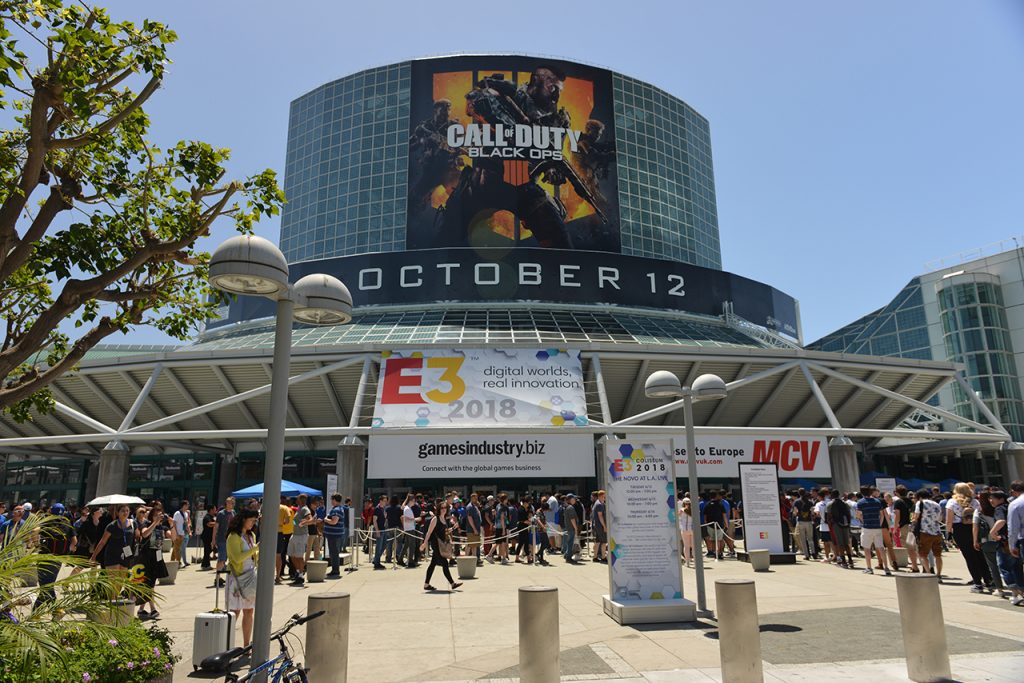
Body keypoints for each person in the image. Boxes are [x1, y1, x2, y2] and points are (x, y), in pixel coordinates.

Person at [947, 482, 991, 592]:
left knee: (969, 557)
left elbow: (949, 520)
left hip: (960, 530)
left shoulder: (952, 502)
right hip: (974, 528)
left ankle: (977, 582)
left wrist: (948, 533)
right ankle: (988, 579)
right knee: (980, 554)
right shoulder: (975, 501)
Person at [34, 504, 76, 614]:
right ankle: (36, 612)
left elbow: (35, 531)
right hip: (58, 558)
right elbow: (74, 541)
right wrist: (68, 551)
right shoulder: (67, 524)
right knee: (48, 585)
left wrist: (34, 544)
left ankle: (56, 610)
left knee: (46, 586)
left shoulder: (47, 521)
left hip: (45, 556)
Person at [226, 509, 260, 647]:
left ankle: (246, 644)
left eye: (255, 521)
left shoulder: (251, 535)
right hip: (237, 578)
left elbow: (253, 557)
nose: (253, 523)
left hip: (250, 576)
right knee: (234, 612)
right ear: (243, 519)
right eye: (251, 520)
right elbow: (237, 558)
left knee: (249, 611)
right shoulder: (233, 536)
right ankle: (227, 644)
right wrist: (255, 549)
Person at [420, 501, 463, 592]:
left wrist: (452, 528)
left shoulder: (443, 518)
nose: (444, 510)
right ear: (439, 509)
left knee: (432, 565)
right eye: (442, 508)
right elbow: (429, 532)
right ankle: (452, 583)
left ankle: (426, 584)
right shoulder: (435, 519)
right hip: (436, 545)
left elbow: (444, 532)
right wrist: (424, 543)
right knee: (445, 563)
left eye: (445, 508)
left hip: (441, 544)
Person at [137, 505, 170, 619]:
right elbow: (144, 534)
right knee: (149, 585)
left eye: (160, 515)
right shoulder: (146, 524)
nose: (158, 517)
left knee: (151, 584)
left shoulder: (162, 527)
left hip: (157, 558)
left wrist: (173, 524)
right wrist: (154, 523)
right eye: (156, 515)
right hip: (147, 558)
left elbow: (172, 537)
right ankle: (153, 609)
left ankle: (141, 609)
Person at [974, 491, 1009, 597]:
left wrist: (975, 540)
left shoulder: (979, 511)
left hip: (987, 541)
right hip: (1002, 540)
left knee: (993, 566)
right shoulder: (1000, 508)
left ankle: (999, 589)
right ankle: (1015, 587)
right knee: (1008, 565)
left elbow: (975, 527)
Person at [91, 504, 137, 573]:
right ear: (117, 513)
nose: (126, 513)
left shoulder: (133, 523)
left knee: (121, 581)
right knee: (113, 581)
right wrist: (94, 556)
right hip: (112, 556)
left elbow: (138, 536)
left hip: (126, 556)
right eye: (123, 511)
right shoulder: (112, 526)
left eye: (127, 511)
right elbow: (102, 542)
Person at [856, 485, 891, 575]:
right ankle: (886, 568)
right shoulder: (877, 501)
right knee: (880, 547)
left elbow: (858, 515)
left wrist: (863, 520)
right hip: (877, 527)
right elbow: (882, 514)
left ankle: (869, 568)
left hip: (867, 527)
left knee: (867, 548)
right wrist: (879, 523)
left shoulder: (860, 502)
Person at [913, 487, 944, 579]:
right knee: (938, 555)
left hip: (924, 531)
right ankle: (938, 574)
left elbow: (916, 516)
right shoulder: (936, 504)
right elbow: (940, 518)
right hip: (937, 531)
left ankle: (928, 573)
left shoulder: (920, 503)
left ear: (919, 496)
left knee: (923, 554)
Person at [287, 494, 313, 585]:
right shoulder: (298, 508)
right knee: (291, 554)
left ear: (302, 500)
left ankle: (300, 575)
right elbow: (296, 521)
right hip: (295, 534)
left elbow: (310, 518)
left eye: (297, 499)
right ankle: (299, 571)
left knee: (299, 556)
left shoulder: (305, 509)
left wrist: (304, 522)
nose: (296, 500)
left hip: (301, 536)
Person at [893, 485, 920, 572]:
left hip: (904, 525)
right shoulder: (911, 501)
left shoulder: (898, 502)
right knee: (915, 546)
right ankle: (922, 565)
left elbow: (897, 515)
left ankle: (915, 566)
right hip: (913, 525)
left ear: (897, 493)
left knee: (909, 547)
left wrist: (895, 527)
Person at [827, 489, 853, 568]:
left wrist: (830, 524)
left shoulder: (830, 504)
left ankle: (844, 562)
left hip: (836, 525)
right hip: (845, 524)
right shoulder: (845, 503)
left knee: (840, 543)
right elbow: (849, 514)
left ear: (832, 495)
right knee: (846, 543)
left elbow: (829, 516)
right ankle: (850, 560)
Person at [323, 494, 348, 577]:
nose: (331, 501)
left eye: (332, 499)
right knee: (334, 552)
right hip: (335, 535)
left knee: (334, 553)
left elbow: (334, 522)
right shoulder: (338, 508)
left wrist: (326, 519)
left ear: (334, 500)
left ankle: (335, 570)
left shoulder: (336, 510)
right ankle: (335, 569)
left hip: (334, 535)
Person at [214, 497, 236, 587]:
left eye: (231, 503)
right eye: (228, 502)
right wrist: (213, 539)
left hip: (232, 540)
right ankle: (217, 578)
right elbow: (216, 527)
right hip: (222, 539)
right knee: (222, 559)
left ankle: (229, 578)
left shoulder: (234, 513)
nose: (230, 504)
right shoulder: (221, 514)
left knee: (230, 559)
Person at [276, 496, 295, 584]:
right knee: (280, 555)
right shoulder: (285, 508)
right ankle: (278, 575)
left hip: (270, 532)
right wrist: (281, 523)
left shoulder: (266, 506)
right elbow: (287, 520)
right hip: (282, 532)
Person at [793, 489, 815, 560]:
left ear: (799, 493)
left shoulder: (796, 502)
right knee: (810, 538)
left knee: (803, 539)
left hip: (801, 521)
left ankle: (806, 555)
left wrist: (795, 514)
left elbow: (795, 512)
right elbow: (812, 512)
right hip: (809, 521)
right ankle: (813, 553)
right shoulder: (810, 502)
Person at [465, 492, 483, 566]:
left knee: (474, 545)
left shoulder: (475, 506)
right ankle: (466, 560)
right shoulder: (469, 507)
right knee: (470, 545)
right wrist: (474, 529)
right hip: (471, 529)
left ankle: (475, 560)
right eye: (475, 498)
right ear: (472, 498)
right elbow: (469, 518)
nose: (476, 499)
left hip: (476, 529)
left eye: (477, 498)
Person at [172, 500, 191, 567]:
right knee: (178, 549)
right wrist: (176, 533)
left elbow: (186, 524)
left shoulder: (186, 514)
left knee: (176, 548)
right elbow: (174, 523)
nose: (188, 506)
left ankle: (172, 561)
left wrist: (189, 532)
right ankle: (178, 562)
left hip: (183, 533)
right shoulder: (177, 513)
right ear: (183, 505)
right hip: (178, 533)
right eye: (187, 505)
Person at [562, 494, 580, 564]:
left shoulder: (567, 507)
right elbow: (572, 519)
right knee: (570, 543)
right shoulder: (571, 508)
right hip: (571, 528)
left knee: (569, 542)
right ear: (570, 500)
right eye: (573, 499)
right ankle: (568, 558)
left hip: (568, 528)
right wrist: (576, 528)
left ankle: (567, 555)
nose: (575, 500)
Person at [372, 495, 388, 570]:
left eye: (386, 501)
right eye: (384, 501)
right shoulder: (377, 509)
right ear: (380, 501)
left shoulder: (382, 509)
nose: (385, 502)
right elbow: (374, 520)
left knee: (384, 545)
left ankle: (376, 559)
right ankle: (377, 562)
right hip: (379, 530)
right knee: (379, 546)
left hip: (383, 529)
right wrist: (377, 530)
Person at [201, 504, 218, 570]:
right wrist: (217, 523)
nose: (215, 511)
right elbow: (209, 524)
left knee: (209, 550)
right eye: (214, 509)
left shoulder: (213, 517)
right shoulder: (207, 517)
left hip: (211, 537)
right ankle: (205, 565)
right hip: (206, 536)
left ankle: (206, 564)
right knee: (207, 551)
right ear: (211, 510)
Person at [592, 490, 607, 563]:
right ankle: (603, 557)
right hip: (600, 526)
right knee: (603, 542)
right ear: (601, 496)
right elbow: (600, 516)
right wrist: (604, 526)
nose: (605, 498)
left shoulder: (597, 503)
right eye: (604, 496)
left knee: (597, 541)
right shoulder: (599, 505)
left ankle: (595, 557)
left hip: (597, 525)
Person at [679, 496, 695, 567]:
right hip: (693, 529)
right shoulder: (693, 510)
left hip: (684, 529)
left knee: (686, 546)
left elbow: (677, 516)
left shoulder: (681, 510)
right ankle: (696, 561)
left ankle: (687, 562)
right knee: (694, 546)